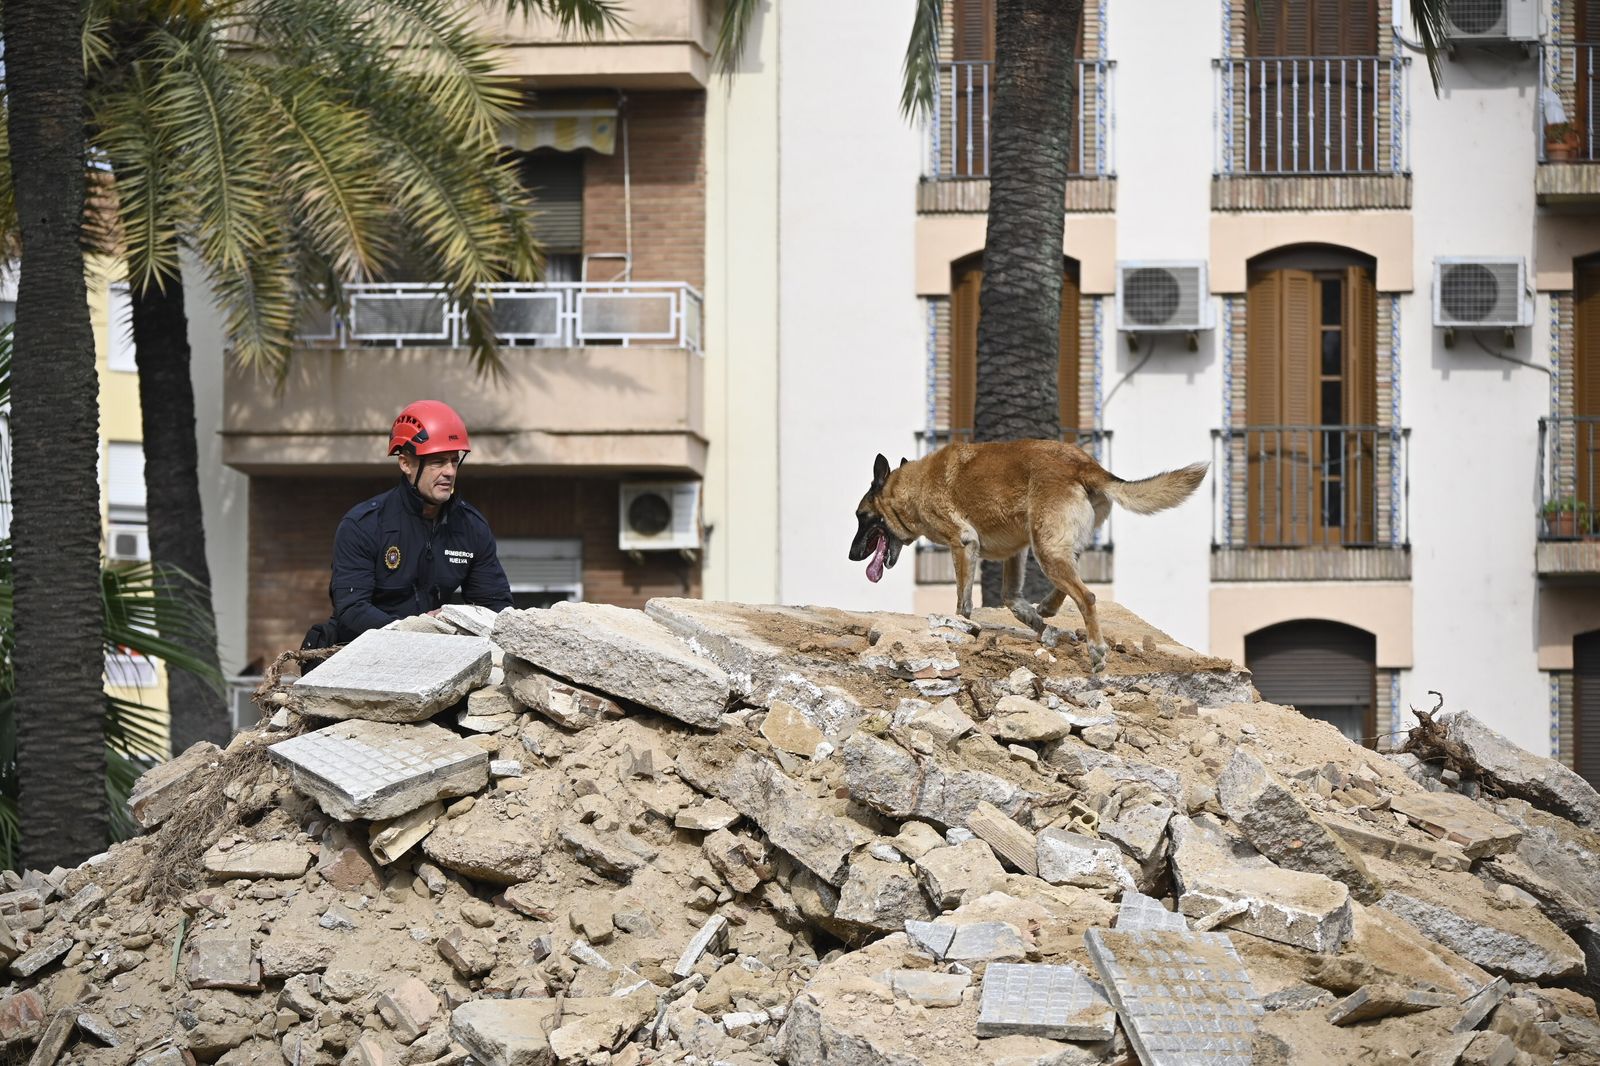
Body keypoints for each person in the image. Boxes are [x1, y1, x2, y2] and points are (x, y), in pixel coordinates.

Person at [302, 400, 513, 649]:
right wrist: (414, 630)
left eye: (454, 461)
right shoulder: (363, 525)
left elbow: (495, 608)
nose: (449, 471)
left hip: (435, 652)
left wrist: (454, 623)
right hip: (364, 653)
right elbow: (352, 609)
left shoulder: (471, 527)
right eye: (437, 462)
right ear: (405, 463)